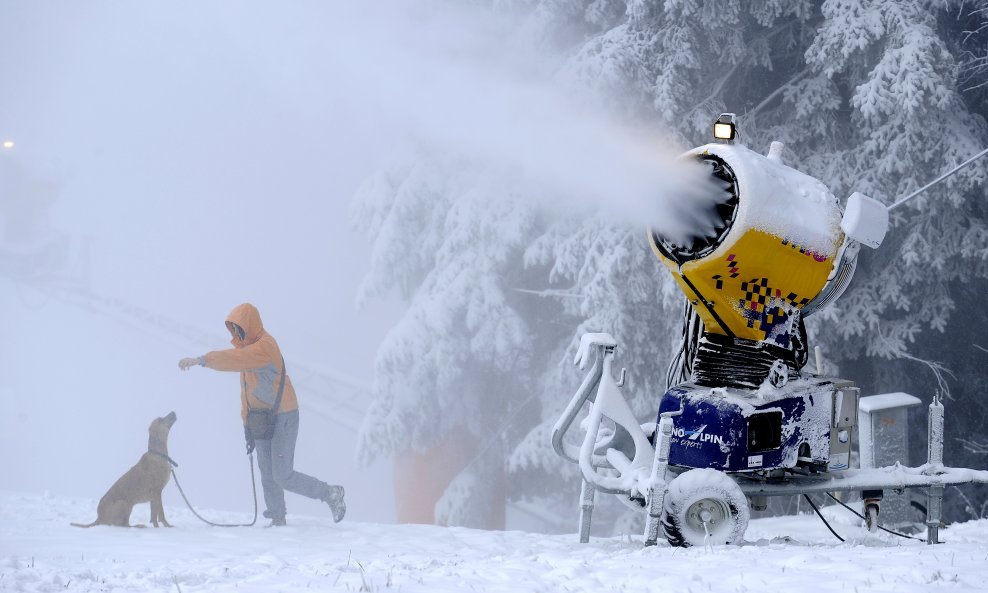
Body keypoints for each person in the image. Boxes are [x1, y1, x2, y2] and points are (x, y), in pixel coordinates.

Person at [179, 303, 345, 526]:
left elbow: (233, 360)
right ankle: (277, 518)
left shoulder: (265, 347)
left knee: (282, 475)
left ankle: (330, 493)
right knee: (267, 472)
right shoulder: (246, 352)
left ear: (250, 326)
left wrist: (202, 360)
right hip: (261, 418)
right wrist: (247, 425)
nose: (236, 333)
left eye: (239, 328)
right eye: (233, 329)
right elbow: (246, 395)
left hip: (283, 417)